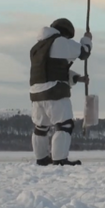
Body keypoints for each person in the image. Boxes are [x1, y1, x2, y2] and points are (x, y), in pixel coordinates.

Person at [29, 18, 92, 166]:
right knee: (65, 125)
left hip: (36, 94)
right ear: (66, 33)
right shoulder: (60, 42)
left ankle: (42, 159)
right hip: (55, 92)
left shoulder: (37, 48)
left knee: (41, 127)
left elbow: (54, 69)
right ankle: (59, 160)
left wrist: (77, 78)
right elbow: (84, 53)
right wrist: (87, 39)